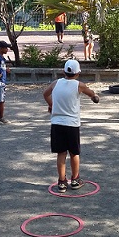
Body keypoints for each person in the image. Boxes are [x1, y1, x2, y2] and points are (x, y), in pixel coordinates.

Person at [43, 59, 99, 193]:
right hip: (72, 124)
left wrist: (51, 105)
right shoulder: (79, 85)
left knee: (61, 153)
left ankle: (62, 182)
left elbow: (45, 94)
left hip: (57, 123)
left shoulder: (56, 83)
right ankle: (75, 179)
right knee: (74, 153)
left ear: (63, 71)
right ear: (78, 73)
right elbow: (93, 95)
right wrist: (95, 97)